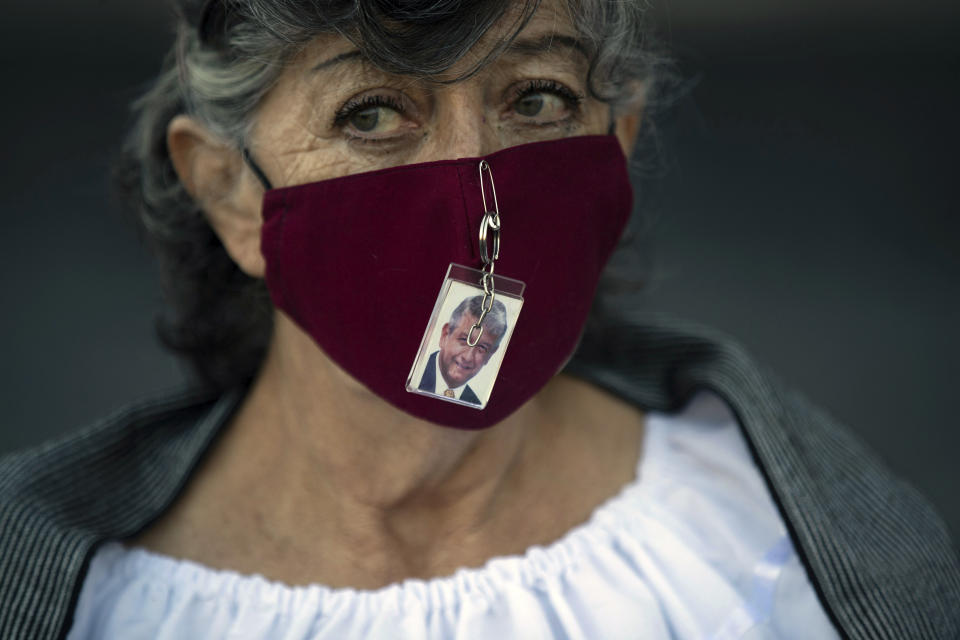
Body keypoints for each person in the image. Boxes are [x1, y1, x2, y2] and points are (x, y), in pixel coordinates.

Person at [0, 0, 957, 639]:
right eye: (372, 111)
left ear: (615, 145)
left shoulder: (767, 542)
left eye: (535, 97)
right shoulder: (93, 604)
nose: (475, 186)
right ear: (231, 195)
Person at [418, 295, 508, 405]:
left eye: (482, 348)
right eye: (464, 339)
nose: (468, 357)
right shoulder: (414, 375)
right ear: (445, 335)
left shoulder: (477, 405)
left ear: (490, 355)